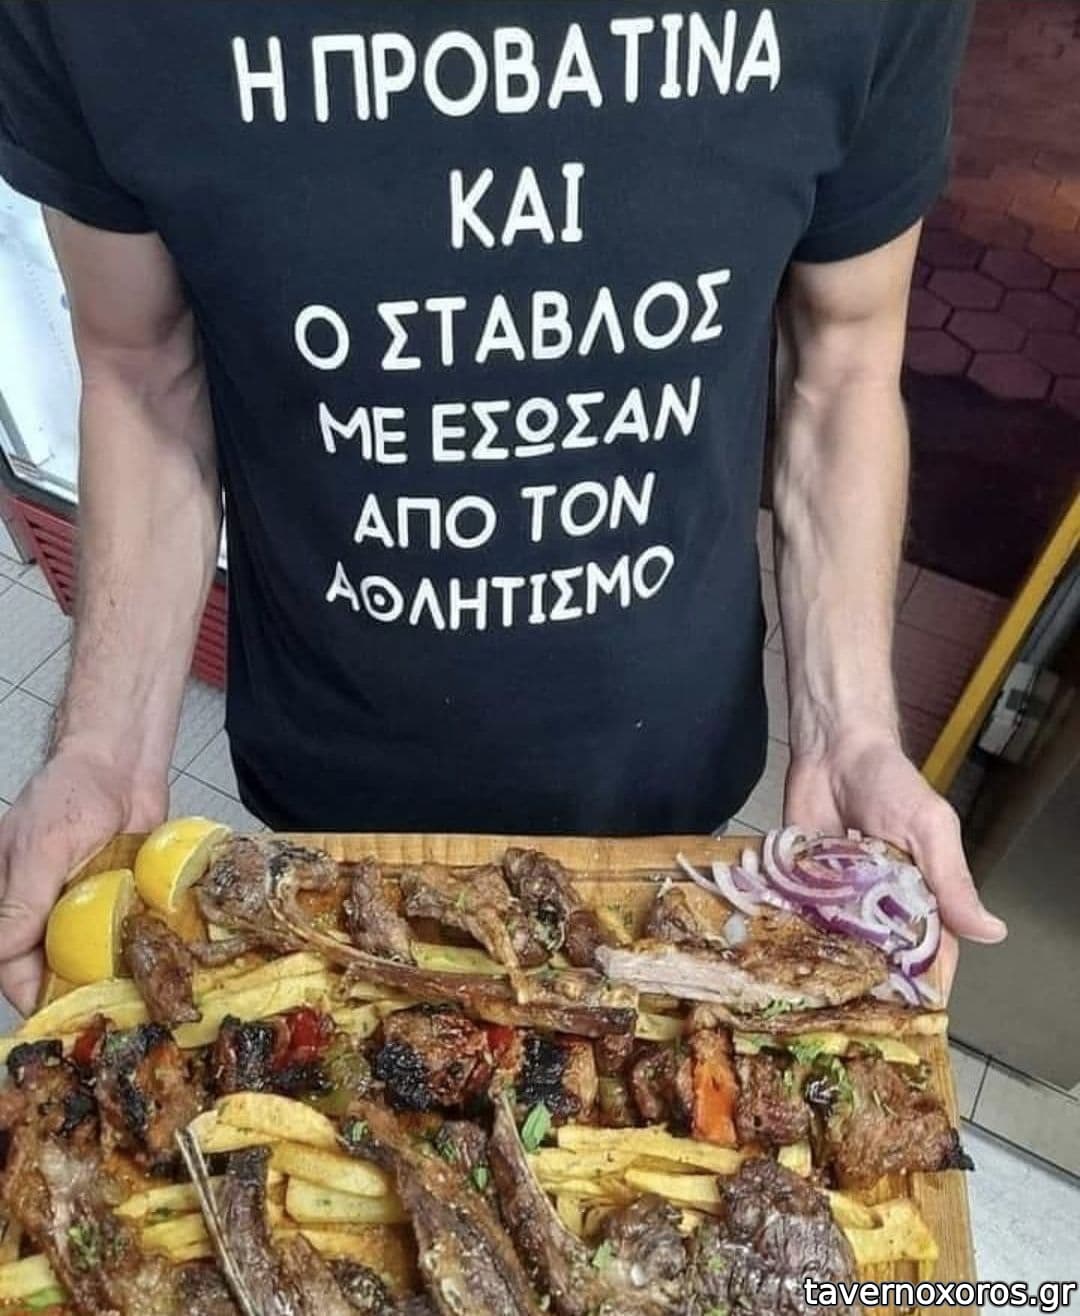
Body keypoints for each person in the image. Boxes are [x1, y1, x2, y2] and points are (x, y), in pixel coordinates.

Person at [0, 0, 1005, 1013]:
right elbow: (141, 368)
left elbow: (843, 361)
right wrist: (105, 753)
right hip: (330, 772)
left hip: (664, 768)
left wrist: (848, 730)